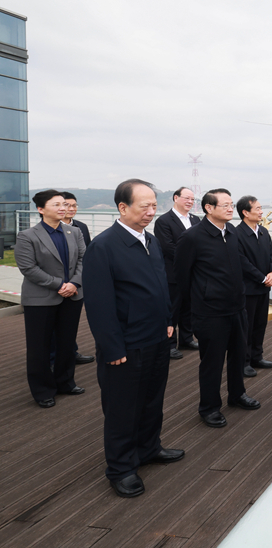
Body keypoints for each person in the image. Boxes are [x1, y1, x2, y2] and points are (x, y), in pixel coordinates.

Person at [82, 179, 184, 499]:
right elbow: (99, 305)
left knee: (152, 400)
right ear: (123, 207)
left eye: (154, 205)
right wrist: (112, 347)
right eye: (145, 206)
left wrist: (168, 321)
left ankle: (149, 448)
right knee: (122, 409)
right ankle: (121, 468)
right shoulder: (104, 246)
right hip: (126, 345)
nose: (151, 212)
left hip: (156, 338)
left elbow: (161, 286)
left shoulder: (150, 240)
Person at [175, 188, 260, 428]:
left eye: (231, 204)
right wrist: (200, 301)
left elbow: (239, 262)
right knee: (212, 362)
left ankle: (237, 394)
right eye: (225, 205)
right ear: (209, 208)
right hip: (210, 312)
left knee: (238, 355)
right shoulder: (192, 237)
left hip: (237, 307)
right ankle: (209, 407)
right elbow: (182, 277)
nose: (231, 209)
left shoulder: (231, 232)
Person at [16, 190, 86, 408]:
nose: (63, 208)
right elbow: (28, 268)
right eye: (56, 205)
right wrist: (59, 285)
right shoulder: (27, 236)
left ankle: (65, 382)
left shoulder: (74, 232)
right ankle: (43, 390)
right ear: (40, 209)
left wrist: (74, 283)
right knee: (39, 347)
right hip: (41, 299)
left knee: (67, 343)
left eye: (64, 204)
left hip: (72, 296)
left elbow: (84, 259)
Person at [153, 186, 201, 360]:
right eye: (186, 198)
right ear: (175, 198)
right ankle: (170, 344)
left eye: (192, 199)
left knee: (188, 307)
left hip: (191, 273)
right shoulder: (164, 221)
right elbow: (168, 247)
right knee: (172, 309)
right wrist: (192, 260)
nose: (190, 202)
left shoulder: (195, 219)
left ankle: (187, 339)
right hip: (173, 273)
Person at [234, 195, 272, 378]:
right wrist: (261, 277)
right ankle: (243, 362)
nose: (261, 212)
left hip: (263, 287)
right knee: (246, 326)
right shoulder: (236, 234)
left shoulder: (263, 231)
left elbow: (271, 254)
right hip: (248, 288)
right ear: (245, 212)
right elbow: (241, 261)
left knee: (260, 323)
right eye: (257, 209)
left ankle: (256, 357)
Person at [59, 191, 95, 365]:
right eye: (67, 205)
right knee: (54, 325)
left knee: (71, 322)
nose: (72, 209)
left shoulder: (81, 227)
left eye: (74, 205)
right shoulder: (51, 227)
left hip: (77, 282)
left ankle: (71, 352)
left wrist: (77, 281)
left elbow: (87, 255)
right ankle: (54, 358)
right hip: (57, 284)